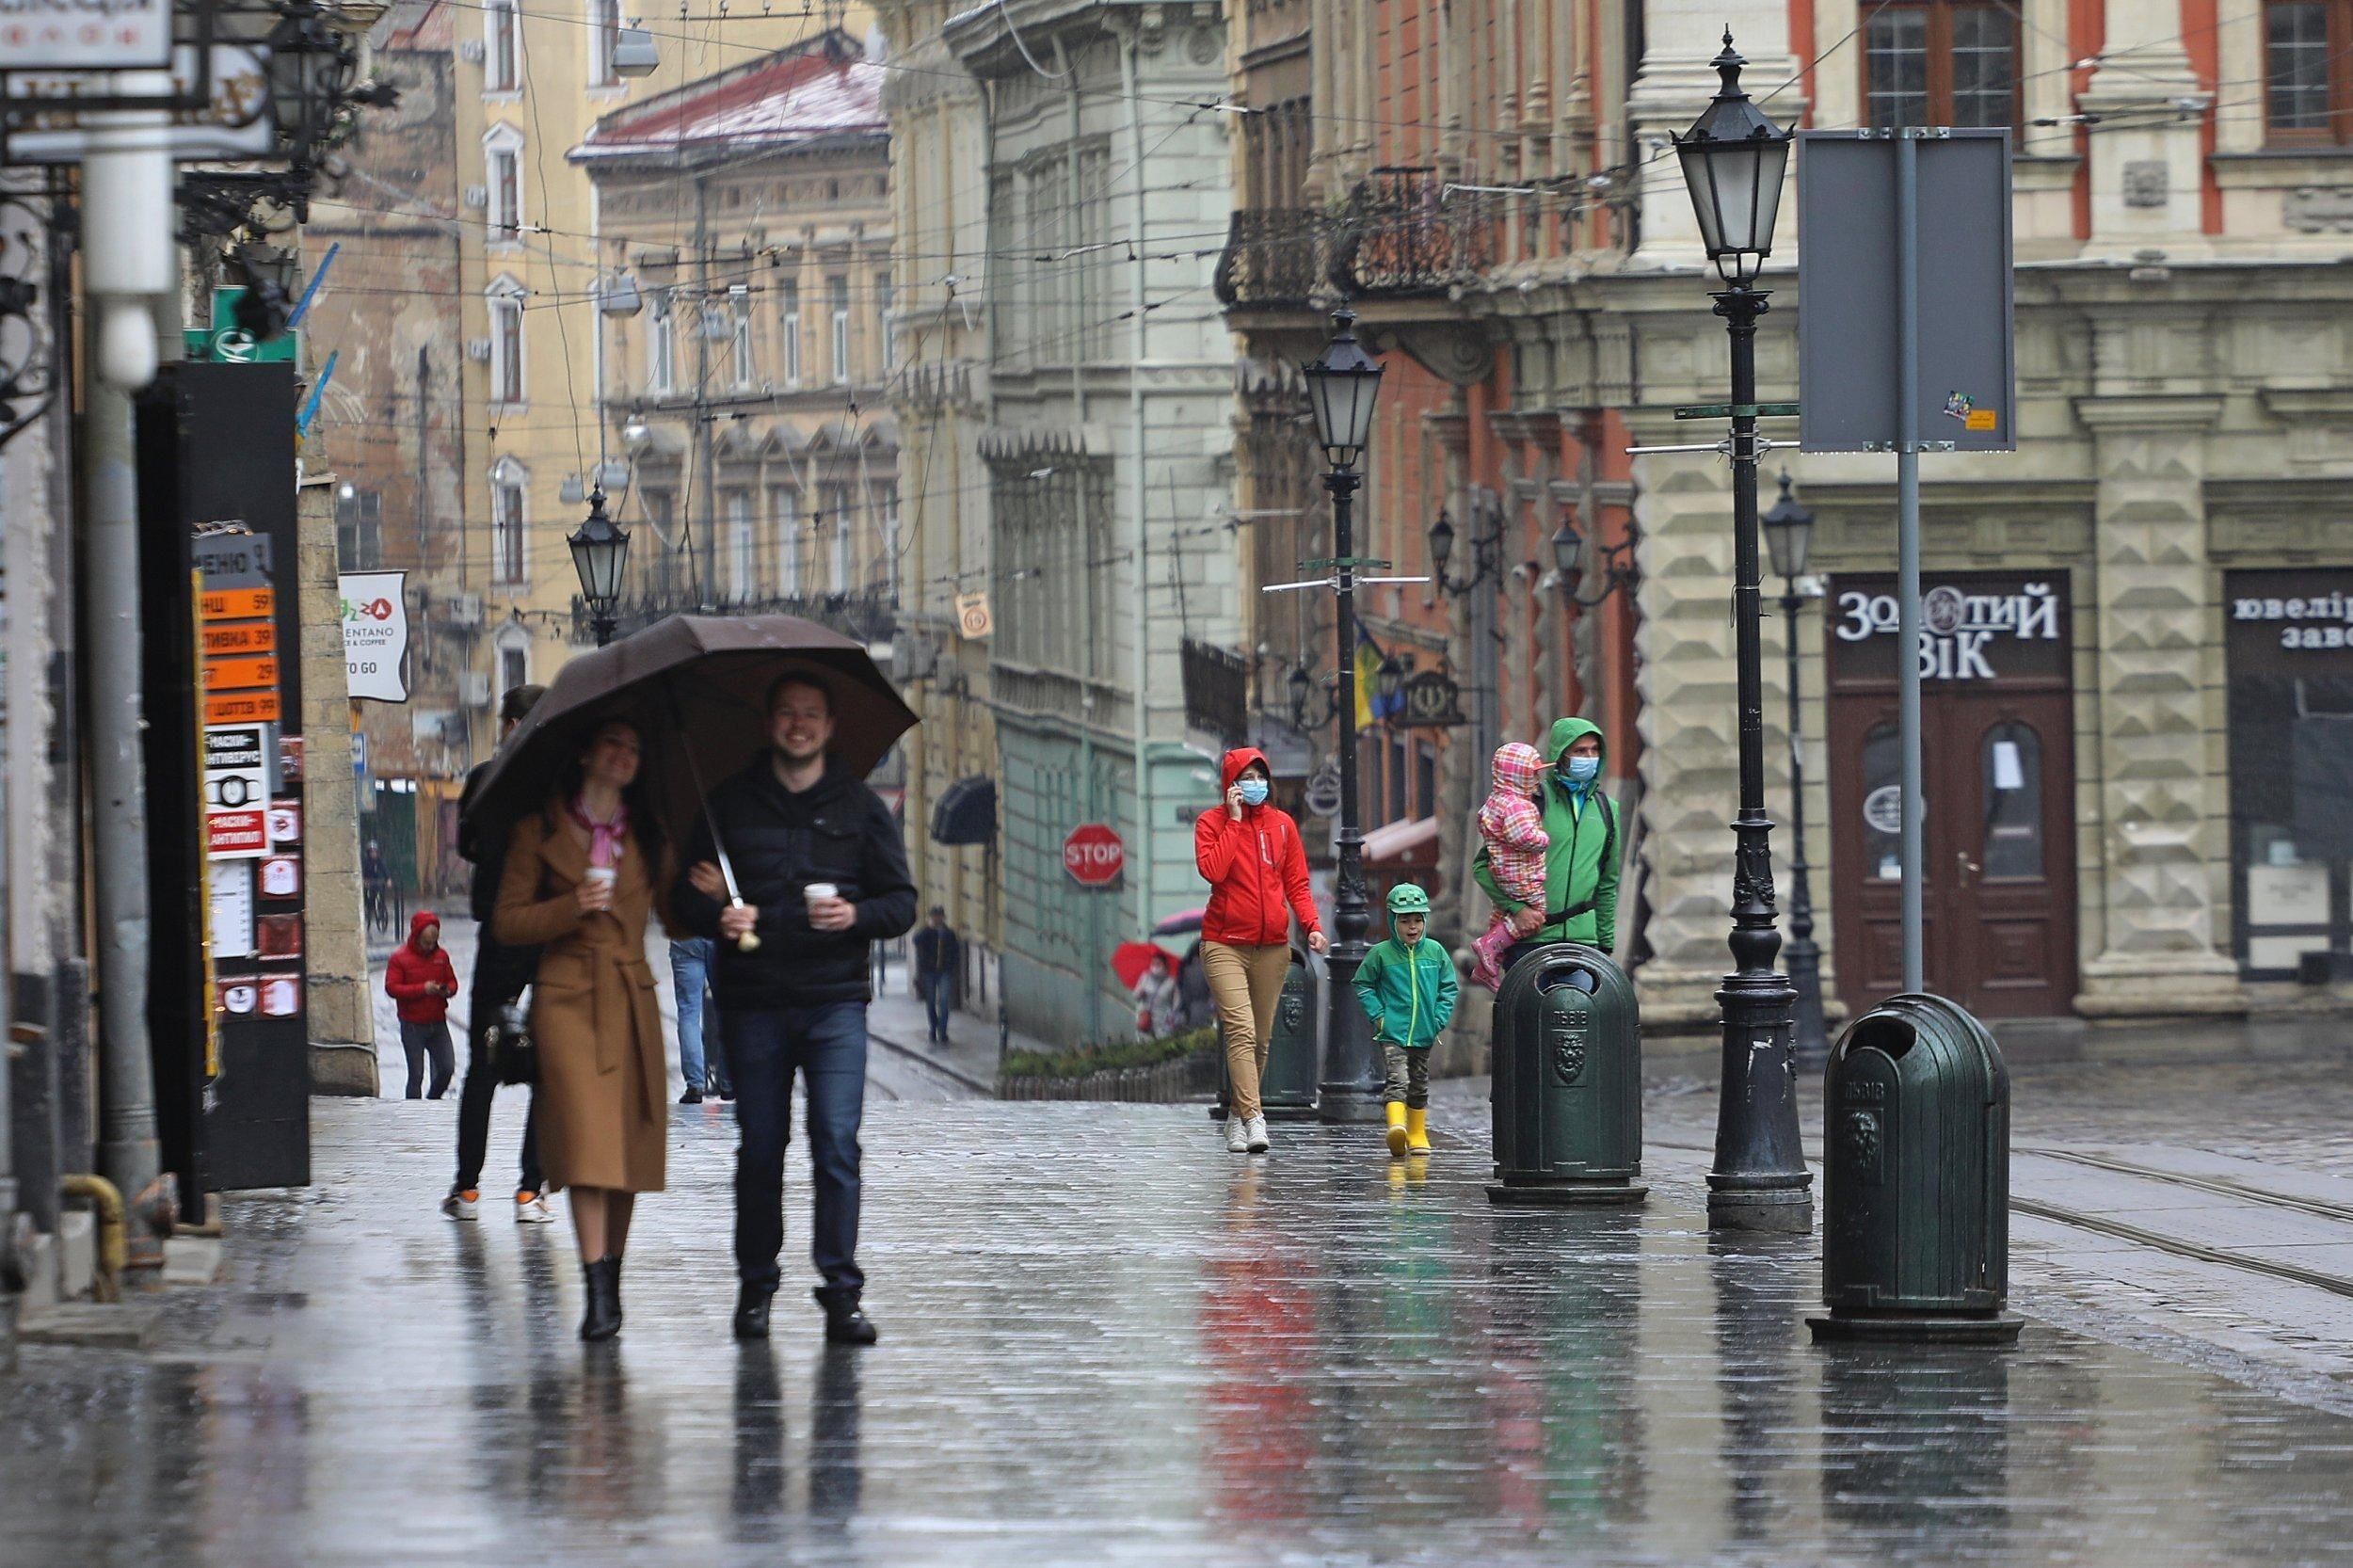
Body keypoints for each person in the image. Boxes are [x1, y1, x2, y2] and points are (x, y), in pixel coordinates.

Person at [675, 673, 917, 1346]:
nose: (799, 725)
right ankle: (756, 1285)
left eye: (811, 714)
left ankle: (842, 1293)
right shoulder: (727, 805)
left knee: (836, 1144)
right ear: (771, 723)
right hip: (753, 1006)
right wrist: (718, 912)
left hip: (834, 1004)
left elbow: (902, 904)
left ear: (830, 726)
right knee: (760, 1150)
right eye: (787, 713)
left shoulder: (863, 809)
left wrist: (856, 913)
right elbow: (683, 896)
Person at [494, 716, 675, 1341]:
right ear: (587, 754)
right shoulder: (539, 828)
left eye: (633, 747)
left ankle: (612, 1277)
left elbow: (677, 917)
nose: (624, 755)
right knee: (586, 1145)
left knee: (625, 1149)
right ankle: (595, 1285)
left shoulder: (648, 834)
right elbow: (508, 922)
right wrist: (571, 908)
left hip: (630, 998)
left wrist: (705, 886)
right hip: (567, 998)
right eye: (613, 743)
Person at [446, 683, 552, 1225]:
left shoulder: (485, 779)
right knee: (549, 1064)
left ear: (511, 724)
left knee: (483, 1065)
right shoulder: (559, 782)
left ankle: (467, 1188)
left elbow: (468, 845)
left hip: (501, 935)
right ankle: (530, 1189)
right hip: (549, 934)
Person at [1194, 747, 1327, 1157]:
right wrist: (1234, 824)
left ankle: (1237, 1117)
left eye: (1260, 776)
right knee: (1241, 1029)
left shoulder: (1283, 826)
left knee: (1262, 1040)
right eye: (1246, 777)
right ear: (1230, 784)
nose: (1255, 784)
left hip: (1272, 947)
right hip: (1223, 943)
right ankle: (1255, 1118)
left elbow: (1297, 884)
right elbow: (1212, 871)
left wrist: (1312, 926)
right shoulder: (1210, 823)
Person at [1472, 717, 1620, 986]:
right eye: (1579, 751)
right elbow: (1482, 866)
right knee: (1529, 1024)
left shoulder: (1608, 809)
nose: (1589, 757)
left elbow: (1608, 882)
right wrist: (1516, 909)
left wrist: (1605, 943)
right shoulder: (1527, 802)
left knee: (1578, 1024)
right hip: (1529, 941)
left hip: (1584, 945)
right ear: (1560, 755)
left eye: (1594, 750)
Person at [1351, 884, 1457, 1158]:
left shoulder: (1435, 952)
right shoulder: (1381, 954)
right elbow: (1363, 984)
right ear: (1392, 921)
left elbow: (1448, 988)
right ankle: (1396, 1127)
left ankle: (1417, 1132)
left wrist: (1438, 1019)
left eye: (1418, 920)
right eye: (1405, 920)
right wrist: (1379, 1016)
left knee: (1419, 1082)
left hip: (1424, 1031)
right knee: (1398, 1080)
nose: (1413, 927)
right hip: (1392, 1032)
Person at [1469, 742, 1550, 990]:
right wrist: (1543, 839)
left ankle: (1487, 965)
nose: (1537, 780)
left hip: (1503, 871)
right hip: (1521, 874)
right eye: (1532, 774)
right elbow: (1522, 836)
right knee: (1535, 912)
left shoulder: (1496, 801)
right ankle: (1491, 945)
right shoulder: (1518, 805)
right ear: (1518, 775)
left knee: (1499, 915)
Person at [385, 910, 459, 1099]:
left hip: (437, 1022)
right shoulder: (399, 958)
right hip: (412, 1024)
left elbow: (452, 982)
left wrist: (447, 990)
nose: (429, 946)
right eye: (425, 942)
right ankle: (413, 1112)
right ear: (416, 936)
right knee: (416, 1074)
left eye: (432, 942)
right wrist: (422, 989)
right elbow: (392, 988)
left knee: (446, 1067)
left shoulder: (441, 956)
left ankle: (432, 1100)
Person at [671, 936, 732, 1104]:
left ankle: (695, 1086)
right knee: (727, 1011)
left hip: (686, 935)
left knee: (688, 1013)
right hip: (721, 933)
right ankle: (728, 1083)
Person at [910, 906, 961, 1046]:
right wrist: (927, 928)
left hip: (944, 972)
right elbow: (916, 940)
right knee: (931, 1002)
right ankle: (933, 1028)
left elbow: (955, 952)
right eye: (934, 917)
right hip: (929, 972)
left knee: (944, 1002)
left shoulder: (948, 933)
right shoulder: (926, 933)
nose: (937, 919)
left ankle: (943, 1031)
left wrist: (951, 967)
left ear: (943, 918)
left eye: (939, 916)